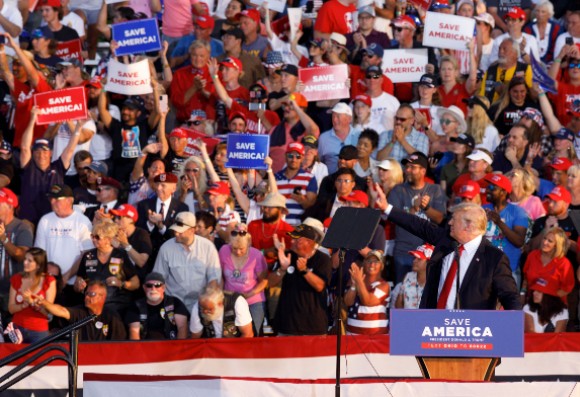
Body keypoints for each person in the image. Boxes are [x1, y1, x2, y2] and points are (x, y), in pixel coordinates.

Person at [374, 191, 522, 310]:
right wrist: (387, 208)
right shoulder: (445, 241)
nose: (449, 222)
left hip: (472, 335)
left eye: (454, 219)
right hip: (435, 329)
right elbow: (418, 225)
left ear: (468, 226)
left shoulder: (494, 258)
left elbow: (510, 296)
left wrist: (511, 331)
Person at [388, 152, 447, 283]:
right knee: (401, 292)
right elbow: (394, 217)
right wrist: (414, 208)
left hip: (427, 255)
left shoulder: (435, 190)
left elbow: (440, 219)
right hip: (403, 251)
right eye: (407, 167)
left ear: (423, 171)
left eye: (412, 167)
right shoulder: (398, 190)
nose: (408, 170)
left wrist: (426, 208)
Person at [269, 222, 331, 335]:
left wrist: (304, 271)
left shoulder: (323, 259)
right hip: (286, 325)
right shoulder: (287, 256)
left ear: (310, 242)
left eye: (297, 240)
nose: (292, 241)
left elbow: (320, 286)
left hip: (313, 327)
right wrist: (282, 269)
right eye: (292, 238)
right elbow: (270, 283)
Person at [34, 184, 93, 305]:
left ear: (70, 200)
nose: (53, 202)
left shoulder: (82, 221)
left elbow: (87, 254)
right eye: (51, 199)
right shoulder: (45, 220)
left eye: (57, 199)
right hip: (48, 282)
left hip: (73, 284)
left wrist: (66, 276)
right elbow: (39, 253)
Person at [153, 211, 221, 311]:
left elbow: (214, 279)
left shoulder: (208, 247)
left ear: (192, 230)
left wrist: (208, 301)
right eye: (175, 230)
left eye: (180, 231)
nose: (176, 233)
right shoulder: (166, 248)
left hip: (200, 304)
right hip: (173, 305)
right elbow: (158, 278)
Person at [74, 220, 140, 316]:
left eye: (97, 237)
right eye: (92, 236)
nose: (93, 239)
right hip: (93, 307)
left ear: (108, 240)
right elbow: (77, 283)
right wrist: (79, 285)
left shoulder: (120, 255)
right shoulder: (88, 256)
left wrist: (121, 283)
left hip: (117, 307)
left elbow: (136, 283)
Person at [34, 280, 127, 341]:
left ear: (103, 297)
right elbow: (61, 310)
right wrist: (44, 302)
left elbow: (119, 343)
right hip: (81, 357)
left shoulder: (112, 316)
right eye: (86, 293)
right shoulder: (79, 311)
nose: (86, 297)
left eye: (92, 294)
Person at [218, 223, 268, 335]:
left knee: (254, 333)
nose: (238, 252)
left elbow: (264, 281)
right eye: (234, 248)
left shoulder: (256, 255)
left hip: (253, 300)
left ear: (249, 244)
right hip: (230, 300)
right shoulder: (224, 251)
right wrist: (221, 294)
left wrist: (249, 294)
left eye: (242, 249)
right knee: (230, 333)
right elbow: (220, 275)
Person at [483, 173, 528, 284]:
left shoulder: (518, 212)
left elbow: (519, 241)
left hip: (507, 271)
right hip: (484, 268)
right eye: (488, 187)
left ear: (503, 192)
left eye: (492, 188)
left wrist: (499, 223)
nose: (487, 190)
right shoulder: (482, 209)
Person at [8, 248, 56, 343]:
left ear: (38, 265)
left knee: (39, 357)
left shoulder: (48, 280)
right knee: (13, 357)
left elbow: (48, 313)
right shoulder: (16, 279)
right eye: (25, 259)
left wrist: (32, 302)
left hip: (38, 331)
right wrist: (22, 306)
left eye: (29, 261)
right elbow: (10, 308)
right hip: (17, 328)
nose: (25, 262)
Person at [0, 188, 34, 316]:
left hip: (12, 291)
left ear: (10, 206)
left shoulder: (22, 227)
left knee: (11, 331)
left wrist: (3, 238)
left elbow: (22, 256)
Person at [126, 272, 189, 340]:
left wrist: (178, 349)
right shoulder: (136, 306)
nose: (153, 288)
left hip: (171, 346)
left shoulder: (175, 303)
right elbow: (134, 332)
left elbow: (182, 328)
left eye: (157, 285)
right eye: (149, 285)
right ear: (144, 287)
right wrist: (138, 350)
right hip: (145, 348)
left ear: (164, 287)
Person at [522, 227, 574, 303]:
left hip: (554, 307)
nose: (545, 242)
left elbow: (566, 289)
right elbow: (525, 279)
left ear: (557, 245)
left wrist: (547, 300)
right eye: (544, 238)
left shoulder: (564, 263)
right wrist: (522, 294)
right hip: (531, 303)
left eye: (550, 241)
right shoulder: (533, 255)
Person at [344, 250, 390, 335]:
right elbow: (347, 302)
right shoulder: (355, 280)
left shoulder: (384, 285)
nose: (372, 264)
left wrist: (359, 281)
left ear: (381, 266)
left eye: (376, 262)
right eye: (369, 261)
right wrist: (354, 285)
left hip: (375, 338)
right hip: (353, 335)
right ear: (364, 263)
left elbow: (368, 301)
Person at [275, 143, 317, 226]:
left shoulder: (309, 177)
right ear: (285, 156)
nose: (294, 159)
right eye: (291, 156)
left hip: (300, 228)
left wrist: (302, 200)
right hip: (279, 226)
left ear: (302, 158)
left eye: (298, 156)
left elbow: (312, 208)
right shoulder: (275, 177)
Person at [395, 243, 434, 309]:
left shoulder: (435, 281)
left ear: (429, 263)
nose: (414, 261)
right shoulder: (408, 276)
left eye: (419, 259)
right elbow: (398, 304)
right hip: (407, 318)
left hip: (427, 318)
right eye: (414, 258)